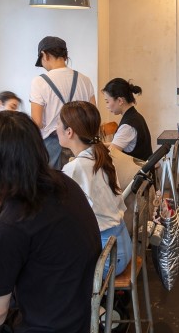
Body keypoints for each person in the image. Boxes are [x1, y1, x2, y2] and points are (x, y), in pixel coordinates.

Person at [0, 111, 101, 333]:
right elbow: (41, 249)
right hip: (76, 317)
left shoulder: (13, 221)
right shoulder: (64, 184)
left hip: (43, 326)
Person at [59, 101, 132, 275]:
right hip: (121, 247)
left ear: (69, 132)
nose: (55, 129)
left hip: (106, 260)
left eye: (57, 124)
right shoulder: (101, 155)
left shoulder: (75, 168)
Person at [30, 36, 96, 169]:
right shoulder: (85, 80)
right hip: (82, 145)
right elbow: (93, 114)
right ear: (65, 56)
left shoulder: (39, 82)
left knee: (55, 185)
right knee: (79, 184)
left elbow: (37, 122)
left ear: (44, 55)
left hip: (53, 146)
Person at [102, 78, 152, 161]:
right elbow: (118, 143)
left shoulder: (128, 126)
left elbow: (111, 155)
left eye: (107, 101)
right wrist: (100, 145)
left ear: (120, 100)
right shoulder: (135, 116)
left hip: (136, 172)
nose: (107, 106)